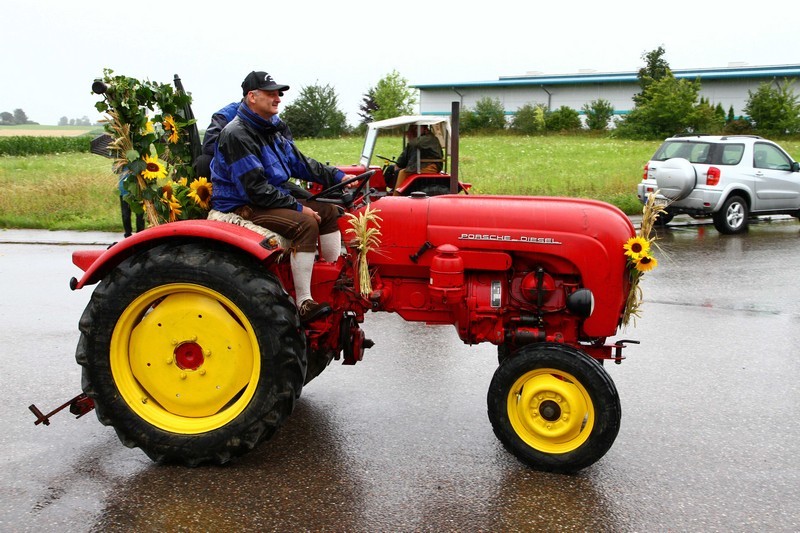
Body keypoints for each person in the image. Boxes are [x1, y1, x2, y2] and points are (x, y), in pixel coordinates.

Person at [210, 70, 354, 323]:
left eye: (278, 94)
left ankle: (333, 281)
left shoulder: (270, 130)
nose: (277, 98)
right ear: (252, 97)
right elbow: (255, 189)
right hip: (243, 204)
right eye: (271, 93)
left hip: (268, 197)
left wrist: (338, 176)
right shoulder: (237, 134)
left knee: (329, 211)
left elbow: (301, 163)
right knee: (305, 224)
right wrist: (297, 208)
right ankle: (304, 303)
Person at [195, 102, 292, 179]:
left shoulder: (274, 119)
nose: (277, 100)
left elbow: (290, 147)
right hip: (234, 164)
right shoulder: (224, 116)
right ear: (251, 97)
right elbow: (209, 146)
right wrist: (243, 150)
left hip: (266, 166)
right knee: (204, 161)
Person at [389, 124, 443, 194]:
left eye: (417, 128)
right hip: (422, 164)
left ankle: (396, 196)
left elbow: (414, 143)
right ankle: (392, 191)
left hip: (430, 165)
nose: (415, 130)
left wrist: (411, 135)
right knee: (392, 169)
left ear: (425, 128)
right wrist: (399, 164)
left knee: (402, 173)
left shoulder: (428, 138)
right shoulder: (420, 140)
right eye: (414, 128)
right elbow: (405, 156)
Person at [119, 170, 144, 238]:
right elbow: (115, 170)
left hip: (138, 191)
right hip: (124, 192)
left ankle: (140, 235)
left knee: (140, 215)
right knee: (125, 215)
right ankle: (127, 235)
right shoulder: (122, 164)